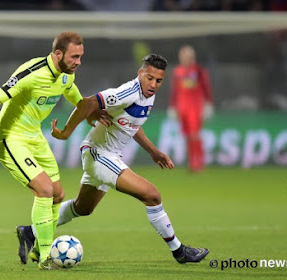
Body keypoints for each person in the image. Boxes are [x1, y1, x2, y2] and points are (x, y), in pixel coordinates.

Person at [19, 53, 209, 267]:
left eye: (159, 80)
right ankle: (179, 251)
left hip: (105, 155)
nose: (154, 84)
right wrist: (65, 133)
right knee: (152, 195)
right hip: (99, 154)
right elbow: (88, 102)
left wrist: (153, 152)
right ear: (140, 73)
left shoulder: (148, 95)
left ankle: (30, 232)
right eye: (149, 78)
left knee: (83, 208)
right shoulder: (126, 93)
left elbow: (132, 125)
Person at [0, 31, 108, 270]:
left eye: (81, 57)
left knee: (58, 194)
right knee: (44, 190)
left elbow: (75, 96)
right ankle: (46, 258)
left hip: (35, 137)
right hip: (10, 138)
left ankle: (33, 245)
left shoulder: (66, 76)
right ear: (58, 54)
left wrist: (90, 113)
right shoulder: (31, 73)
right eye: (74, 57)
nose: (78, 62)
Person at [167, 45, 213, 173]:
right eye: (182, 57)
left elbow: (206, 88)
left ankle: (200, 162)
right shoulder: (178, 72)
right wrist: (172, 107)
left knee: (195, 135)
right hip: (182, 108)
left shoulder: (198, 71)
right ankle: (192, 163)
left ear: (192, 57)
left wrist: (208, 104)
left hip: (195, 108)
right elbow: (174, 91)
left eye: (187, 57)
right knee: (187, 135)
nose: (184, 59)